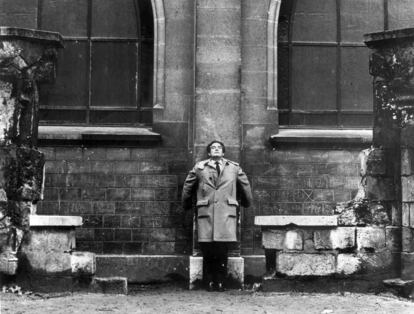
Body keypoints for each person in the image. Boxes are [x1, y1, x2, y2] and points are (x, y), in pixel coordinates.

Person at [182, 140, 253, 291]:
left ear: (223, 152)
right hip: (206, 213)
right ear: (208, 152)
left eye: (219, 148)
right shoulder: (200, 167)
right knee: (207, 249)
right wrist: (186, 204)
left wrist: (247, 202)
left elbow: (245, 185)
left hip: (226, 213)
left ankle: (220, 282)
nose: (216, 149)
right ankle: (209, 281)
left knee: (222, 249)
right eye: (213, 148)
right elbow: (188, 185)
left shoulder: (233, 168)